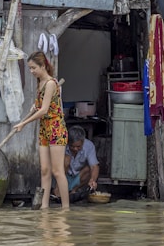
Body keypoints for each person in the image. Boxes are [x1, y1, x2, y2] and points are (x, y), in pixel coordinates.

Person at [14, 51, 70, 210]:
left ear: (43, 66)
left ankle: (65, 209)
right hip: (44, 129)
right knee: (45, 170)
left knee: (57, 171)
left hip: (56, 128)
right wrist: (34, 107)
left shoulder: (51, 83)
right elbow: (39, 106)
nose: (31, 72)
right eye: (30, 69)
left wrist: (23, 123)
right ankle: (44, 208)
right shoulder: (40, 84)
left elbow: (44, 110)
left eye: (33, 68)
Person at [64, 125, 100, 199]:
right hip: (64, 176)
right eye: (72, 146)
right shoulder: (62, 144)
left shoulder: (89, 146)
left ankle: (73, 191)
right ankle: (61, 189)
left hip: (78, 177)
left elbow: (94, 166)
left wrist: (92, 180)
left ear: (83, 141)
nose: (75, 149)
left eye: (78, 146)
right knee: (66, 160)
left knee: (89, 169)